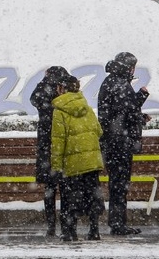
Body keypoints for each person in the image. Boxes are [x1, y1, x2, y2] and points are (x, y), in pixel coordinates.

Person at [97, 51, 149, 236]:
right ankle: (118, 224)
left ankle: (117, 222)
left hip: (113, 141)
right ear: (129, 67)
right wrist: (141, 101)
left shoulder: (112, 81)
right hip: (119, 143)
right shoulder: (120, 84)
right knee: (119, 184)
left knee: (117, 183)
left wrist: (138, 115)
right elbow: (125, 112)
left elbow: (121, 110)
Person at [50, 75, 104, 242]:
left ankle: (69, 231)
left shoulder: (59, 111)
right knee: (92, 195)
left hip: (72, 164)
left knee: (69, 198)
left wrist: (56, 166)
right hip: (92, 161)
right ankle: (94, 230)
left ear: (61, 89)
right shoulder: (86, 108)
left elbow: (58, 141)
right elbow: (99, 131)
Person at [30, 66, 72, 237]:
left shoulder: (43, 96)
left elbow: (34, 98)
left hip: (47, 148)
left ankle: (51, 225)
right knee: (65, 187)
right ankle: (65, 223)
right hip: (64, 147)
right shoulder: (64, 98)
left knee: (50, 187)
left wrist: (46, 80)